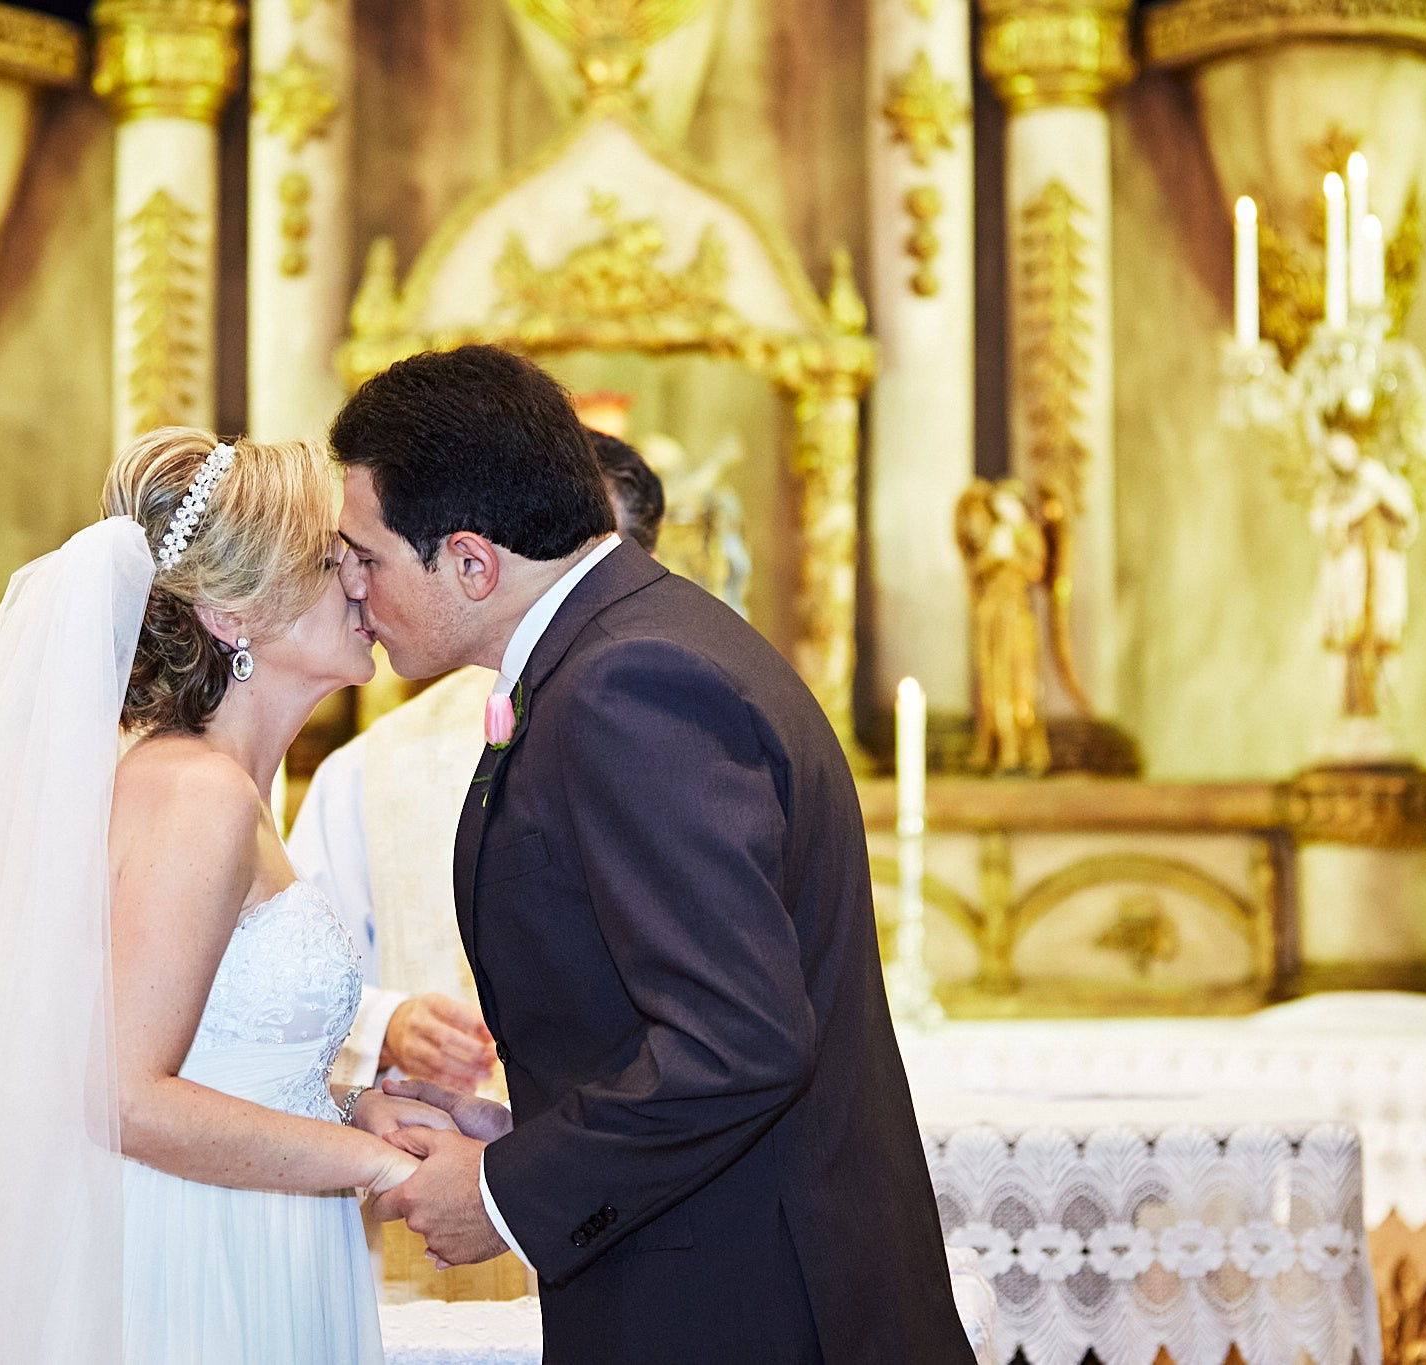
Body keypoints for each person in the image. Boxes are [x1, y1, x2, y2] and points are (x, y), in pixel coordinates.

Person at [331, 346, 972, 1362]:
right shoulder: (631, 646)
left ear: (469, 560)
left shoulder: (626, 685)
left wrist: (506, 1196)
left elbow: (737, 1039)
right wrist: (530, 1135)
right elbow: (662, 1014)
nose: (351, 592)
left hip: (748, 1305)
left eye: (364, 557)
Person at [0, 429, 457, 1364]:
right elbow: (125, 1098)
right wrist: (369, 1164)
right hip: (199, 1263)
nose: (363, 585)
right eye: (335, 561)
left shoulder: (219, 787)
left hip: (243, 1223)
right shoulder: (197, 794)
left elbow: (212, 1062)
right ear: (230, 612)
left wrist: (351, 1110)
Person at [289, 431, 667, 1099]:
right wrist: (390, 1024)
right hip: (435, 1155)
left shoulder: (681, 741)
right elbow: (285, 974)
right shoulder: (375, 767)